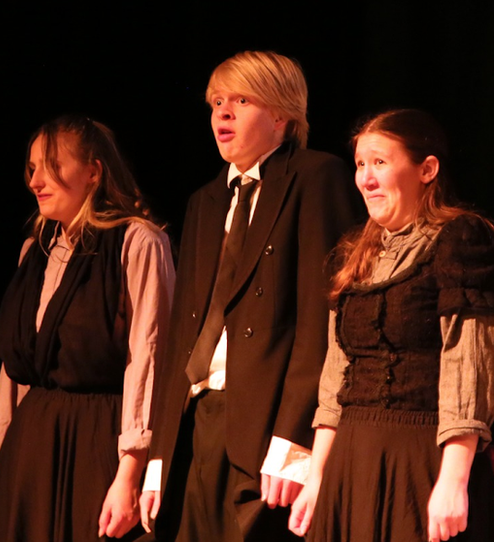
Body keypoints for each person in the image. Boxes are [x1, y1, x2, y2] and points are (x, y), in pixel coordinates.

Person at [140, 51, 360, 542]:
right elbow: (182, 334)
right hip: (195, 424)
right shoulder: (205, 200)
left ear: (281, 114)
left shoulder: (315, 177)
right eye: (217, 101)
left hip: (264, 429)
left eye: (241, 99)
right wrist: (159, 459)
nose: (223, 112)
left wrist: (293, 442)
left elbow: (321, 321)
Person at [289, 109, 494, 542]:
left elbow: (469, 364)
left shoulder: (461, 240)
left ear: (427, 169)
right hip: (351, 459)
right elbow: (336, 374)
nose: (366, 179)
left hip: (421, 456)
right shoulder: (353, 253)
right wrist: (316, 477)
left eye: (380, 162)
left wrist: (453, 480)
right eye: (360, 164)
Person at [0, 115, 175, 541]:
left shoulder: (138, 242)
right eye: (32, 168)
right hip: (28, 447)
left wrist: (129, 473)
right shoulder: (36, 250)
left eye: (52, 166)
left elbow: (149, 357)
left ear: (94, 172)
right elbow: (13, 375)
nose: (36, 181)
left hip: (95, 441)